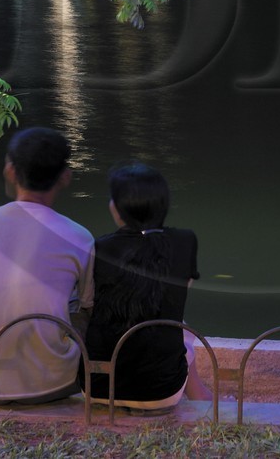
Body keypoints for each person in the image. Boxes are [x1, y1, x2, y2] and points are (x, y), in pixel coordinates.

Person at [0, 126, 94, 403]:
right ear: (65, 177)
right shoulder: (79, 237)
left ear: (10, 171)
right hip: (56, 383)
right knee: (80, 301)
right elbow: (88, 311)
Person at [82, 161, 206, 409]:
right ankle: (202, 396)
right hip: (162, 391)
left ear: (118, 208)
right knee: (182, 330)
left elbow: (87, 302)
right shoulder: (185, 241)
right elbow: (179, 291)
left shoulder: (100, 246)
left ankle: (200, 394)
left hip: (97, 386)